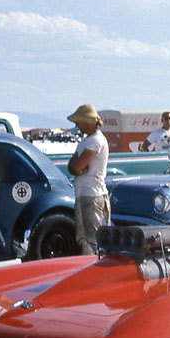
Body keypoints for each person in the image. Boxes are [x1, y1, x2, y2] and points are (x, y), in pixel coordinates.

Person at [66, 104, 110, 254]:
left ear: (87, 121)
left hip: (90, 194)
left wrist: (76, 167)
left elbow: (76, 166)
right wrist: (75, 167)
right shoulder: (89, 141)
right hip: (88, 193)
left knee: (90, 241)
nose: (77, 125)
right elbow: (74, 167)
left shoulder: (94, 141)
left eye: (78, 122)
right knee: (88, 238)